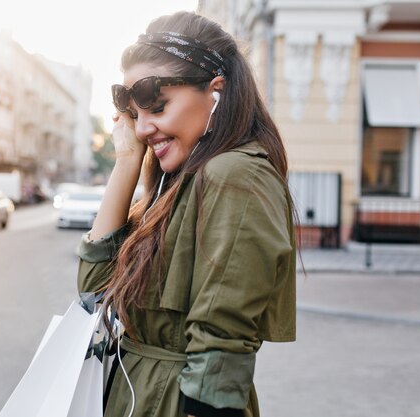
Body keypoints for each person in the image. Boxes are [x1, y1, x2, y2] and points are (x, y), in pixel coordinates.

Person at [77, 11, 296, 417]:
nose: (142, 129)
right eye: (135, 115)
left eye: (157, 108)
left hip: (176, 403)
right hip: (136, 395)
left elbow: (222, 343)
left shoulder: (235, 174)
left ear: (216, 93)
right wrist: (126, 161)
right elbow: (93, 293)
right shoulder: (177, 182)